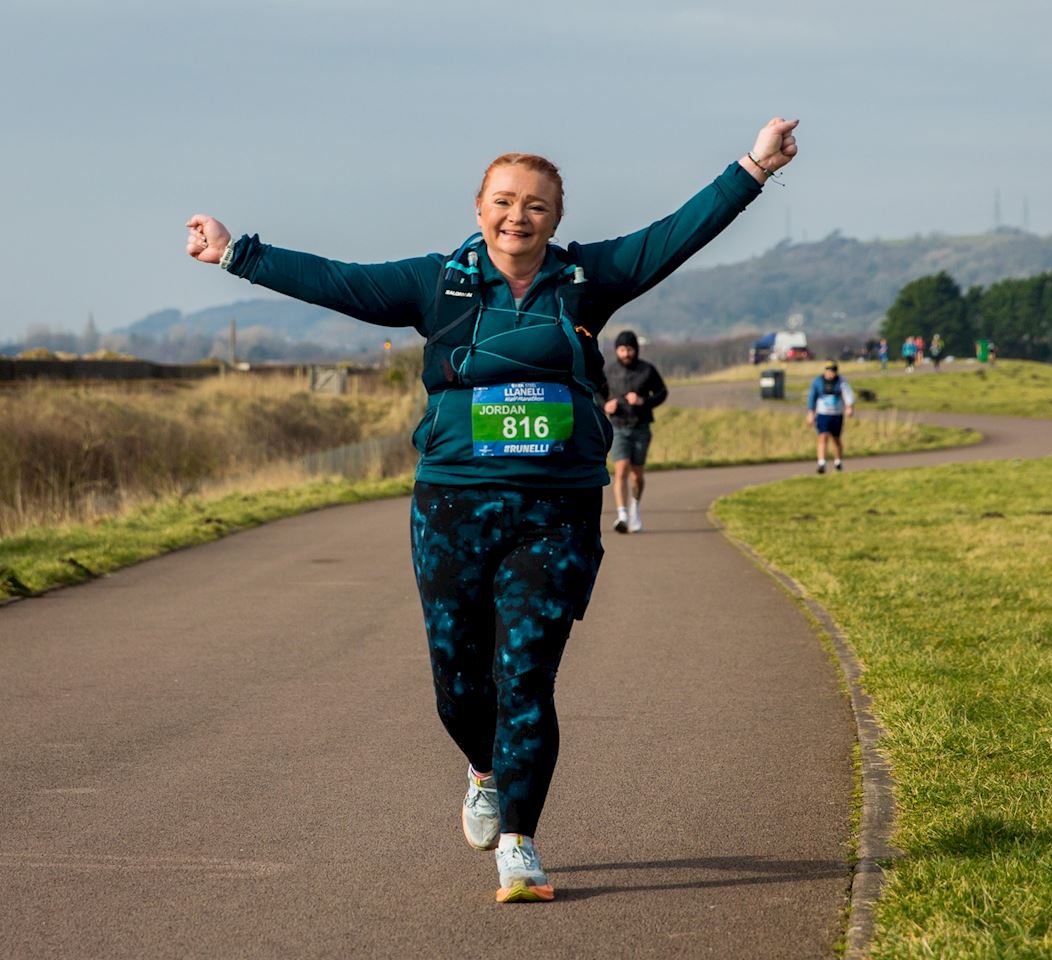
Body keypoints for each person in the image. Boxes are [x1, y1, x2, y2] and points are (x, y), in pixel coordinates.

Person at [184, 117, 799, 904]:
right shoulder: (434, 284)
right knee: (457, 682)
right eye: (505, 201)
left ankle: (520, 842)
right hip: (452, 503)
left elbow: (676, 233)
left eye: (536, 206)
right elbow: (337, 280)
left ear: (556, 218)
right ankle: (483, 770)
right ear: (479, 208)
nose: (519, 216)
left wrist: (752, 167)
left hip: (557, 508)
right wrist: (239, 254)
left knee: (526, 676)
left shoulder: (589, 279)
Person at [603, 329, 667, 532]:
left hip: (641, 426)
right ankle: (621, 515)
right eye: (622, 349)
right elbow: (597, 391)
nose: (626, 353)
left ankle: (634, 508)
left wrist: (643, 401)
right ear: (616, 351)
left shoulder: (647, 370)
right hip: (618, 426)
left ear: (635, 350)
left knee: (637, 474)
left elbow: (662, 393)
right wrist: (605, 405)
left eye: (629, 349)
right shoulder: (609, 371)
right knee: (621, 470)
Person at [807, 360, 856, 473]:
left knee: (835, 439)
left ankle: (838, 462)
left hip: (836, 414)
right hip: (823, 414)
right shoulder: (817, 382)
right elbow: (812, 398)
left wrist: (849, 407)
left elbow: (848, 395)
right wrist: (810, 412)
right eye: (829, 370)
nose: (831, 373)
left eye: (833, 371)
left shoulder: (841, 382)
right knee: (822, 436)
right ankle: (821, 463)